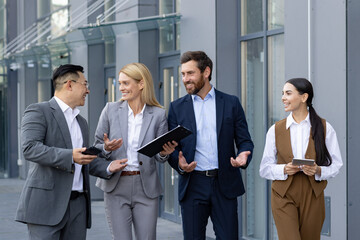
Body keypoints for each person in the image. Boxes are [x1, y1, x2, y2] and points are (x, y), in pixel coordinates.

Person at [15, 64, 120, 240]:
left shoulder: (81, 122)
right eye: (85, 84)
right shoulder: (39, 111)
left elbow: (82, 160)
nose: (88, 90)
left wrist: (109, 167)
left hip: (78, 205)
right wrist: (70, 155)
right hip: (46, 205)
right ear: (69, 85)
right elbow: (30, 148)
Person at [167, 51, 254, 239]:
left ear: (206, 72)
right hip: (192, 184)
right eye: (183, 74)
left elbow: (244, 140)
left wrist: (244, 154)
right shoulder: (176, 107)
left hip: (224, 183)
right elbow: (172, 147)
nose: (185, 79)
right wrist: (178, 163)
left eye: (190, 73)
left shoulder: (231, 103)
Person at [93, 62, 177, 240]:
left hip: (145, 186)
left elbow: (160, 156)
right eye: (120, 83)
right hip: (116, 185)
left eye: (126, 83)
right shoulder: (110, 110)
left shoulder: (158, 114)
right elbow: (97, 147)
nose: (121, 88)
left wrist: (164, 152)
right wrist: (106, 149)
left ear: (141, 84)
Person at [259, 78, 343, 240]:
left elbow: (336, 165)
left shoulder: (325, 128)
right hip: (283, 194)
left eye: (288, 93)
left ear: (304, 97)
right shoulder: (275, 130)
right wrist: (284, 169)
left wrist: (318, 170)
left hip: (312, 194)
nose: (283, 97)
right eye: (282, 93)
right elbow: (264, 168)